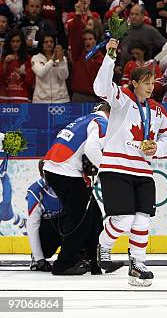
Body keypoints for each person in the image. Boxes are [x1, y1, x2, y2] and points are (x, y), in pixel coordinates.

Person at [93, 39, 167, 287]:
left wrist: (157, 148)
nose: (151, 87)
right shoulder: (121, 98)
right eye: (146, 83)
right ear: (134, 83)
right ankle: (104, 245)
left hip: (143, 170)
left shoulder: (158, 110)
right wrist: (109, 56)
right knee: (123, 221)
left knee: (142, 220)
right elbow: (100, 87)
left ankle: (137, 264)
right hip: (116, 168)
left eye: (153, 83)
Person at [42, 102, 111, 275]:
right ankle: (64, 264)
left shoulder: (87, 119)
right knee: (81, 220)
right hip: (65, 172)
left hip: (57, 169)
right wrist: (108, 170)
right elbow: (92, 148)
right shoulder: (103, 123)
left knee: (93, 215)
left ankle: (95, 261)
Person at [26, 163, 63, 272]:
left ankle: (78, 254)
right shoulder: (35, 192)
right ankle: (37, 257)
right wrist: (39, 258)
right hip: (49, 231)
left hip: (66, 226)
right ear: (42, 174)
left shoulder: (68, 185)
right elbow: (32, 226)